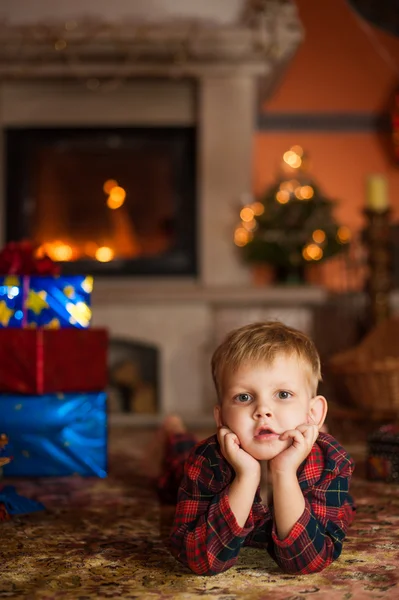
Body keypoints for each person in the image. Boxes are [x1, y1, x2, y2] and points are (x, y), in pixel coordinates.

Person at [155, 321, 355, 575]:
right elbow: (200, 559)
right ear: (222, 418)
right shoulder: (207, 460)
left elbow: (308, 561)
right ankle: (175, 432)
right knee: (175, 474)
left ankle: (315, 429)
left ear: (313, 412)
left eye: (283, 394)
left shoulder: (331, 462)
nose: (262, 411)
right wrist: (246, 477)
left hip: (315, 470)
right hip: (209, 464)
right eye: (244, 397)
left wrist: (284, 473)